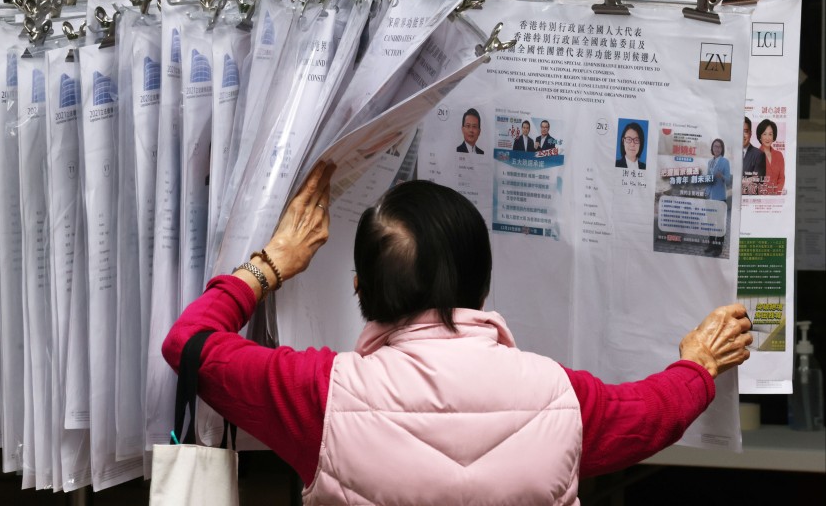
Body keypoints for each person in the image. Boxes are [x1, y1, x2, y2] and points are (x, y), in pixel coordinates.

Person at [164, 164, 753, 504]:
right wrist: (699, 364)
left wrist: (273, 263)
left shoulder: (321, 394)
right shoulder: (559, 396)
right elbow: (650, 414)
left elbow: (188, 342)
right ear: (482, 283)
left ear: (359, 289)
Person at [705, 138, 731, 256]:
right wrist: (706, 191)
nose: (717, 148)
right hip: (710, 198)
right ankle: (711, 245)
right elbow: (708, 178)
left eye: (719, 146)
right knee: (710, 223)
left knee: (719, 224)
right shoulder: (710, 162)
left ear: (722, 149)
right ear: (712, 148)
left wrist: (722, 177)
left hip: (720, 198)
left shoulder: (725, 162)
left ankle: (718, 248)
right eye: (715, 146)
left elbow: (729, 180)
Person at [756, 119, 785, 195]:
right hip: (760, 199)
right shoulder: (754, 155)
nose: (767, 138)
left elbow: (781, 178)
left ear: (773, 136)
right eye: (764, 134)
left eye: (770, 134)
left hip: (775, 199)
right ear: (760, 136)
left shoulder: (779, 155)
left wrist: (775, 194)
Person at [741, 117, 766, 194]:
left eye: (745, 131)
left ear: (750, 134)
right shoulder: (730, 155)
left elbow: (757, 180)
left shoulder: (759, 155)